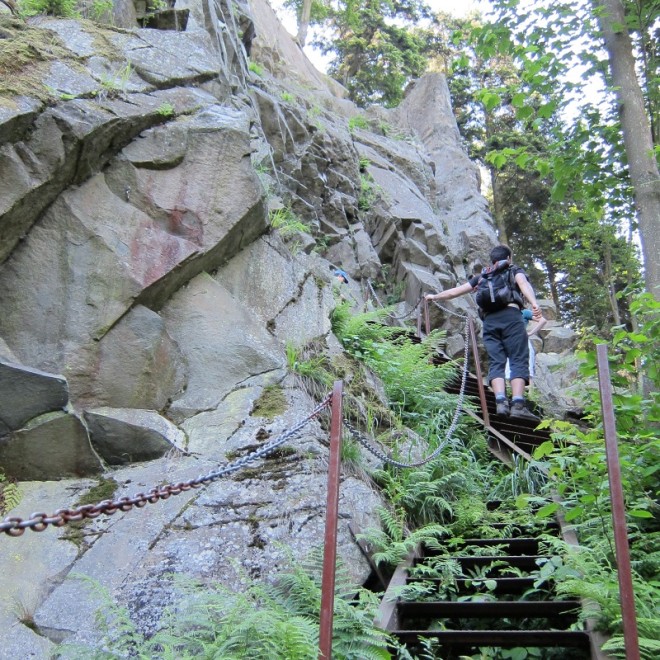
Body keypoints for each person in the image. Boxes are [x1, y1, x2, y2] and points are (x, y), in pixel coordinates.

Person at [425, 245, 543, 420]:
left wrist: (434, 297)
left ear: (493, 261)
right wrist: (534, 303)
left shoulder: (482, 277)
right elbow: (523, 283)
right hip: (511, 317)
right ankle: (518, 405)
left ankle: (501, 403)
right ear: (508, 258)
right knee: (518, 358)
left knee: (496, 361)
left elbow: (455, 292)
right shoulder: (513, 270)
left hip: (489, 322)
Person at [505, 308, 547, 389]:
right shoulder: (505, 313)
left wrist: (530, 333)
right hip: (510, 342)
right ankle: (513, 394)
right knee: (508, 369)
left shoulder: (524, 312)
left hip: (522, 342)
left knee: (527, 369)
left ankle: (530, 396)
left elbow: (543, 320)